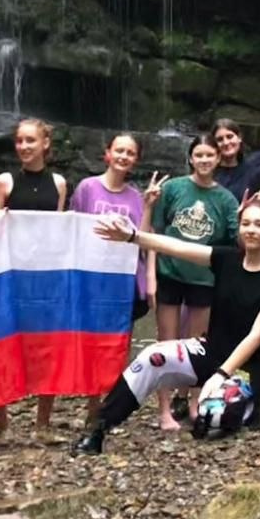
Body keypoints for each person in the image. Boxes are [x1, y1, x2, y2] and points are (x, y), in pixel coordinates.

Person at [72, 199, 260, 454]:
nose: (251, 230)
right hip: (212, 352)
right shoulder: (227, 259)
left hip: (249, 368)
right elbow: (177, 247)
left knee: (215, 416)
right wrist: (131, 236)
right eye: (246, 223)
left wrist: (221, 375)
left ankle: (250, 409)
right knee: (152, 357)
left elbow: (256, 336)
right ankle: (99, 428)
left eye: (259, 224)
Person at [68, 133, 164, 431]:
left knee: (118, 345)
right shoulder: (87, 188)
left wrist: (148, 206)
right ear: (107, 153)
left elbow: (142, 238)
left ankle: (109, 411)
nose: (124, 156)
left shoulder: (135, 197)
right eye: (119, 150)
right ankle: (92, 406)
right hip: (92, 277)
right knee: (91, 343)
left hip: (124, 281)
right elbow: (72, 228)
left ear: (136, 160)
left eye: (130, 153)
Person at [151, 133, 240, 429]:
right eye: (199, 155)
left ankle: (193, 402)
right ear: (190, 158)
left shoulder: (225, 199)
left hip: (204, 278)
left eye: (209, 155)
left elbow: (234, 243)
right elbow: (156, 230)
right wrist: (150, 275)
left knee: (198, 345)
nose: (204, 160)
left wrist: (244, 217)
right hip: (169, 272)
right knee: (166, 343)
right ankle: (164, 410)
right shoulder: (173, 188)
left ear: (218, 158)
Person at [0, 118, 68, 437]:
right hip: (11, 275)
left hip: (45, 278)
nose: (23, 146)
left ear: (45, 143)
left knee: (47, 347)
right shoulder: (5, 182)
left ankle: (42, 422)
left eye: (30, 140)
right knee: (3, 346)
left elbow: (60, 231)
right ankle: (2, 422)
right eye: (19, 141)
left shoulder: (59, 184)